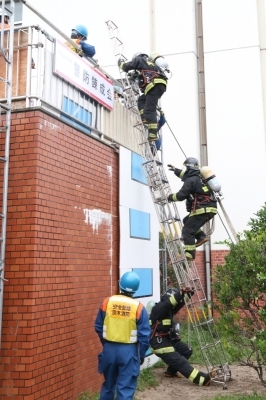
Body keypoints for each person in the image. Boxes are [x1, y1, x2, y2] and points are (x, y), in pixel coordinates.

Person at [95, 271, 150, 400]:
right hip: (129, 353)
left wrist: (107, 344)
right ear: (135, 289)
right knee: (125, 389)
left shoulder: (107, 302)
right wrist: (140, 355)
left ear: (120, 285)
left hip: (109, 350)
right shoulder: (139, 308)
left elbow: (98, 326)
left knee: (108, 386)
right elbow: (144, 337)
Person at [149, 287, 217, 386]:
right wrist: (180, 293)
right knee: (181, 362)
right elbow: (170, 303)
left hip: (168, 341)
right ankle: (202, 379)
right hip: (160, 344)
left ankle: (170, 372)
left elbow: (178, 304)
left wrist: (188, 294)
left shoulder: (168, 310)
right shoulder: (159, 308)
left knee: (186, 351)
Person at [167, 157, 217, 261]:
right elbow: (185, 176)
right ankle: (201, 237)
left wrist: (169, 197)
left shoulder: (190, 180)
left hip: (201, 209)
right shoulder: (200, 177)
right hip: (210, 208)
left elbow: (181, 195)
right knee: (186, 221)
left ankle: (189, 254)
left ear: (189, 168)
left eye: (186, 167)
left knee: (187, 230)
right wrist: (176, 170)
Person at [118, 52, 167, 142]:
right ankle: (143, 117)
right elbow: (145, 76)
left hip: (154, 85)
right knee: (141, 100)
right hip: (160, 85)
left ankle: (152, 135)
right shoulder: (153, 65)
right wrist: (136, 76)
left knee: (150, 109)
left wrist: (120, 63)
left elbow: (126, 67)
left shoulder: (139, 60)